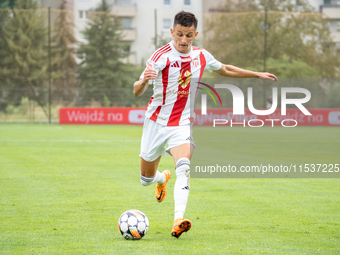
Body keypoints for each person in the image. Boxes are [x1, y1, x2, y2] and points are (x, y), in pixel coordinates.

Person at [133, 11, 277, 239]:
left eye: (188, 35)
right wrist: (144, 80)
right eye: (179, 34)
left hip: (181, 124)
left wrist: (256, 74)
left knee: (185, 167)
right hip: (155, 123)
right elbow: (137, 90)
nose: (183, 40)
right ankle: (162, 179)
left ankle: (178, 220)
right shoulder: (160, 56)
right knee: (145, 179)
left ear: (195, 35)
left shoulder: (201, 56)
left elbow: (226, 69)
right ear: (172, 32)